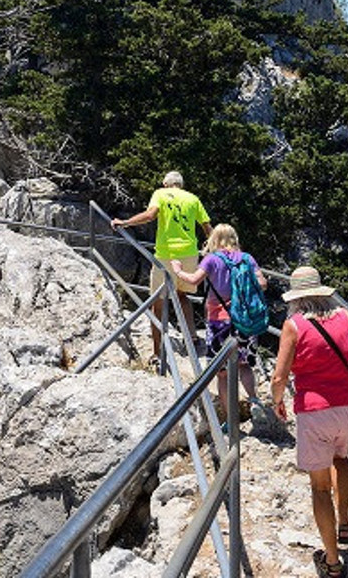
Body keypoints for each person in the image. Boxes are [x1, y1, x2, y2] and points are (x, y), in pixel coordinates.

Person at [270, 266, 348, 578]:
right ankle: (345, 524)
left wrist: (277, 401)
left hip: (315, 411)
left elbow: (279, 376)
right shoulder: (347, 318)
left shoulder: (293, 326)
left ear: (295, 298)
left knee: (319, 488)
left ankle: (332, 561)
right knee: (342, 457)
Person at [171, 223, 267, 421]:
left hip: (219, 321)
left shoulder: (212, 259)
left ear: (214, 239)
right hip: (245, 320)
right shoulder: (247, 258)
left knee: (221, 372)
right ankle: (253, 400)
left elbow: (194, 280)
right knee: (245, 365)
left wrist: (178, 270)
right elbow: (263, 284)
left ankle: (230, 419)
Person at [111, 171, 212, 358]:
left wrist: (125, 223)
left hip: (166, 255)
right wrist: (216, 250)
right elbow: (207, 227)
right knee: (182, 295)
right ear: (181, 184)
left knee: (157, 302)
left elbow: (151, 215)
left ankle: (158, 353)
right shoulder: (193, 199)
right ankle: (192, 338)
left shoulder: (160, 194)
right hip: (189, 254)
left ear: (166, 184)